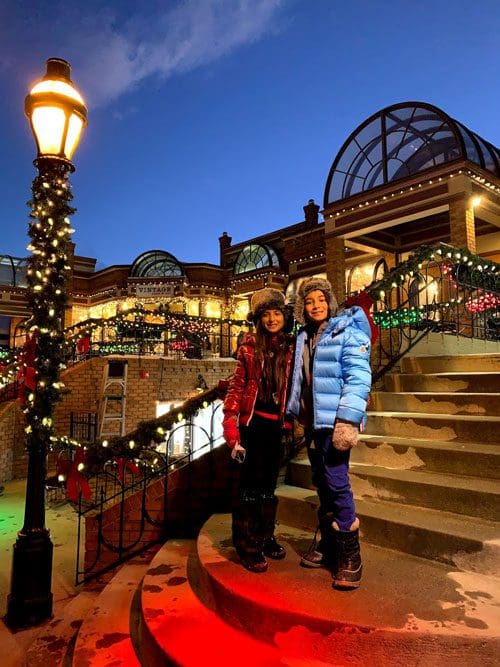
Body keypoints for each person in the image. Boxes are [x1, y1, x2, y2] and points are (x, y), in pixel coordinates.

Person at [286, 277, 372, 589]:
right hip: (312, 423)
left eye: (321, 299)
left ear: (329, 302)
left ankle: (351, 554)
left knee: (337, 483)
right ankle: (330, 543)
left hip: (335, 423)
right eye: (309, 301)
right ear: (302, 308)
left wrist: (348, 420)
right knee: (322, 483)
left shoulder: (346, 331)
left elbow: (359, 375)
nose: (316, 305)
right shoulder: (303, 337)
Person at [223, 288, 294, 573]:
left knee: (268, 486)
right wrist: (232, 432)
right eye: (267, 314)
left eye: (277, 313)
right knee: (249, 486)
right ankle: (246, 543)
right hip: (252, 426)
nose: (273, 319)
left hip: (276, 427)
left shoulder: (290, 348)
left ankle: (264, 536)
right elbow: (237, 388)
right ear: (259, 319)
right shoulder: (249, 348)